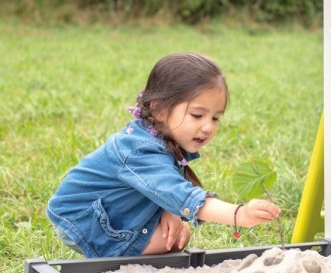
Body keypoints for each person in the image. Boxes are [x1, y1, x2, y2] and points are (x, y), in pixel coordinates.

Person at [46, 52, 281, 258]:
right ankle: (113, 257)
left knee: (178, 233)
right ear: (158, 109)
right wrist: (240, 214)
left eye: (215, 118)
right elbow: (181, 194)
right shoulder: (141, 149)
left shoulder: (160, 134)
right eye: (197, 115)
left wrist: (166, 209)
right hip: (82, 219)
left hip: (110, 208)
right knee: (173, 239)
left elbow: (163, 183)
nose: (208, 126)